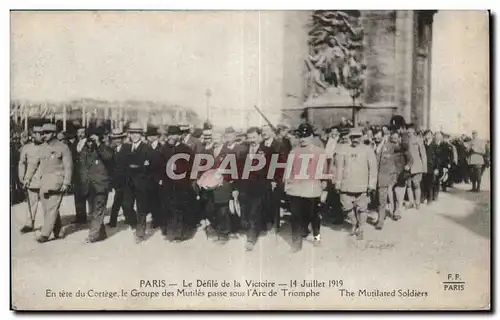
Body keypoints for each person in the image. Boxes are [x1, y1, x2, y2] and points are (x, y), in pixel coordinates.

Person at [23, 123, 73, 243]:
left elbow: (68, 166)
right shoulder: (42, 148)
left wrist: (66, 182)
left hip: (57, 182)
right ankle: (58, 231)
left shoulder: (63, 147)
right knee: (48, 209)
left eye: (47, 133)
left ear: (54, 133)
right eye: (42, 133)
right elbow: (33, 165)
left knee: (52, 208)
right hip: (44, 183)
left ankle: (45, 234)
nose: (44, 135)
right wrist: (27, 178)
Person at [284, 123, 327, 252]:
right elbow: (288, 171)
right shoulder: (294, 151)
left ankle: (317, 236)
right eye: (301, 136)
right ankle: (296, 244)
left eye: (306, 136)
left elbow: (323, 171)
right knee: (296, 216)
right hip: (296, 190)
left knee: (314, 215)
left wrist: (324, 188)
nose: (303, 139)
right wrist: (287, 185)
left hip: (312, 189)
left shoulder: (319, 152)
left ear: (312, 136)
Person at [334, 128, 377, 240]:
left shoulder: (368, 150)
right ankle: (354, 223)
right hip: (346, 184)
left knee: (362, 208)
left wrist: (371, 185)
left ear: (362, 137)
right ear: (350, 137)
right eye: (353, 137)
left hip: (362, 185)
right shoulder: (344, 149)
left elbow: (373, 169)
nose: (355, 139)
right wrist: (337, 183)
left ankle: (361, 228)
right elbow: (339, 168)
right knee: (346, 207)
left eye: (358, 137)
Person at [78, 127, 114, 243]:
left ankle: (93, 235)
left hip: (101, 185)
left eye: (93, 139)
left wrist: (98, 144)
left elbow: (108, 157)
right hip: (89, 186)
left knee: (98, 210)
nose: (90, 142)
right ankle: (101, 234)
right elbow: (82, 167)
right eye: (89, 140)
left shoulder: (105, 148)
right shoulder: (85, 150)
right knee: (93, 211)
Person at [161, 125, 196, 241]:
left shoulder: (186, 149)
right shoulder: (164, 149)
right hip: (168, 184)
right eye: (170, 135)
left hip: (182, 184)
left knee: (181, 208)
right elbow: (158, 164)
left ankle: (180, 234)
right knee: (169, 208)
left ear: (179, 135)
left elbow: (192, 166)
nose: (172, 137)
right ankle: (171, 232)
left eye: (174, 134)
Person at [122, 122, 154, 243]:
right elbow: (122, 164)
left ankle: (140, 232)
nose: (135, 135)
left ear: (141, 134)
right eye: (132, 133)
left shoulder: (147, 148)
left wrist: (138, 166)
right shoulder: (126, 147)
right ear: (129, 134)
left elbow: (149, 165)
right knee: (126, 205)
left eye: (137, 133)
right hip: (128, 183)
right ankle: (135, 224)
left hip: (142, 183)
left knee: (141, 208)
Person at [239, 127, 270, 251]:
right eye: (249, 137)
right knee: (247, 210)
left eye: (254, 137)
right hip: (246, 187)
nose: (252, 140)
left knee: (254, 212)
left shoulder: (267, 151)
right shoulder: (244, 152)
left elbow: (272, 169)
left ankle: (251, 239)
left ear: (259, 137)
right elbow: (239, 170)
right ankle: (258, 228)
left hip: (260, 186)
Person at [18, 126, 44, 233]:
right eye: (38, 133)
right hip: (31, 180)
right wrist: (22, 177)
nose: (41, 136)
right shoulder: (27, 148)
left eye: (42, 133)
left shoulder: (47, 147)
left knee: (49, 204)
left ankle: (53, 225)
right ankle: (29, 223)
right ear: (33, 134)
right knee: (31, 203)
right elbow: (22, 163)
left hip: (45, 180)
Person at [372, 128, 399, 230]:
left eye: (379, 136)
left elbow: (402, 155)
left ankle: (380, 221)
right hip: (372, 177)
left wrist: (394, 173)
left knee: (381, 199)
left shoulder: (390, 146)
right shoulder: (370, 145)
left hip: (384, 176)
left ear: (383, 136)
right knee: (376, 199)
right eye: (375, 136)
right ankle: (382, 216)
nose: (377, 138)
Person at [107, 129, 131, 228]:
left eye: (119, 138)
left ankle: (127, 219)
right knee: (119, 201)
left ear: (122, 139)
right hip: (117, 181)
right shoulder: (112, 149)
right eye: (115, 138)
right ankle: (125, 219)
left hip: (126, 180)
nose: (117, 140)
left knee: (123, 201)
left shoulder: (128, 148)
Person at [405, 124, 427, 209]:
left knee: (416, 184)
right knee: (408, 184)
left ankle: (417, 202)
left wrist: (424, 168)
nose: (408, 133)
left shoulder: (419, 140)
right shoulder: (406, 140)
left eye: (410, 131)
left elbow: (423, 155)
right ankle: (411, 202)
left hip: (417, 166)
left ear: (414, 131)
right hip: (407, 166)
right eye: (407, 131)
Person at [72, 126, 88, 224]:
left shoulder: (88, 143)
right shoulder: (75, 143)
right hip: (77, 174)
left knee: (86, 195)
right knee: (77, 196)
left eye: (82, 132)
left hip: (85, 173)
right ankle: (79, 217)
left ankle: (85, 217)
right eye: (79, 132)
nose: (80, 134)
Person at [422, 130, 438, 204]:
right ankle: (424, 197)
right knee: (424, 182)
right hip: (424, 166)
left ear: (431, 135)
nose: (427, 136)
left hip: (432, 166)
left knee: (430, 183)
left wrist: (436, 168)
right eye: (426, 135)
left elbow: (437, 158)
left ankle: (430, 199)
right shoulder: (424, 144)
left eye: (428, 134)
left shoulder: (435, 145)